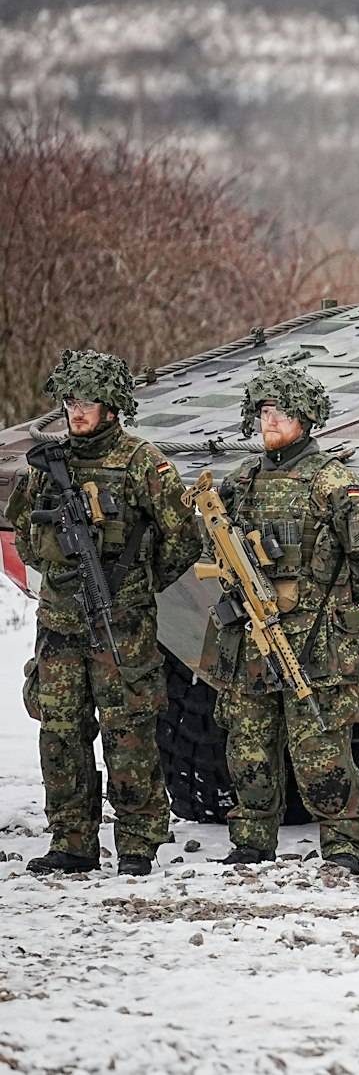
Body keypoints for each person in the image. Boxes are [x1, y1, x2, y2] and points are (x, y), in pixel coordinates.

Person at [7, 350, 198, 876]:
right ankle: (72, 841)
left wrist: (136, 583)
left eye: (88, 401)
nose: (77, 411)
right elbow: (24, 534)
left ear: (112, 406)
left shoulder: (142, 463)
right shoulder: (47, 466)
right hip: (60, 623)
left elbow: (184, 538)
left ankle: (137, 844)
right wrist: (57, 560)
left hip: (122, 624)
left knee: (128, 732)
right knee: (61, 732)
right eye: (70, 401)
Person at [211, 360, 359, 876]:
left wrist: (322, 601)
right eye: (264, 411)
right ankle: (251, 839)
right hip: (249, 636)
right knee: (248, 744)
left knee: (319, 746)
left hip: (316, 642)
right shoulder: (242, 481)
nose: (270, 422)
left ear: (306, 419)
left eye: (282, 412)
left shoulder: (334, 484)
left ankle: (343, 843)